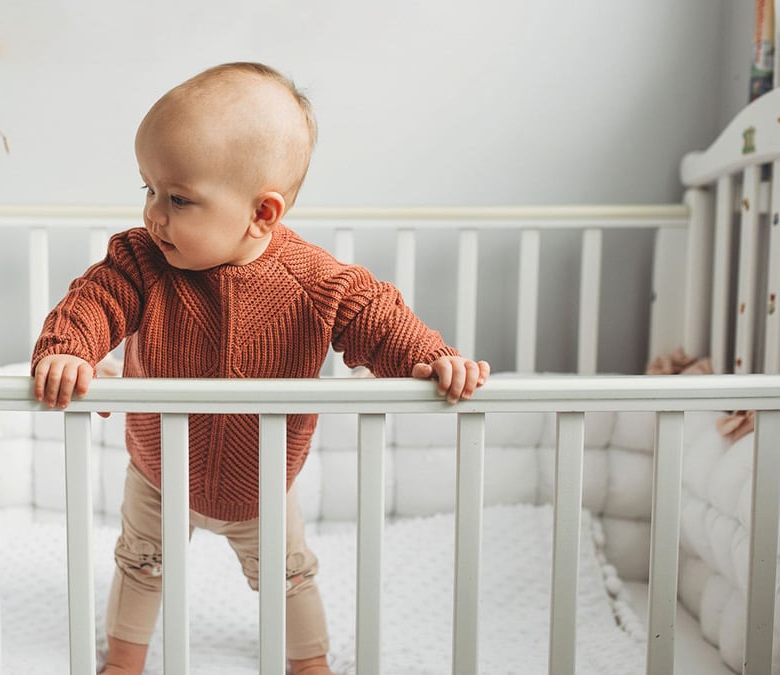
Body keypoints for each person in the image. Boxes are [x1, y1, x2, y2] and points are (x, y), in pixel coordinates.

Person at [32, 61, 490, 675]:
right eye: (147, 189)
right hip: (159, 470)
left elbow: (374, 313)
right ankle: (123, 659)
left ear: (263, 214)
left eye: (179, 199)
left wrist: (430, 356)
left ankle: (308, 663)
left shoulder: (313, 281)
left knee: (288, 577)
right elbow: (96, 298)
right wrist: (69, 347)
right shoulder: (141, 262)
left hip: (261, 482)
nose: (153, 215)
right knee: (140, 566)